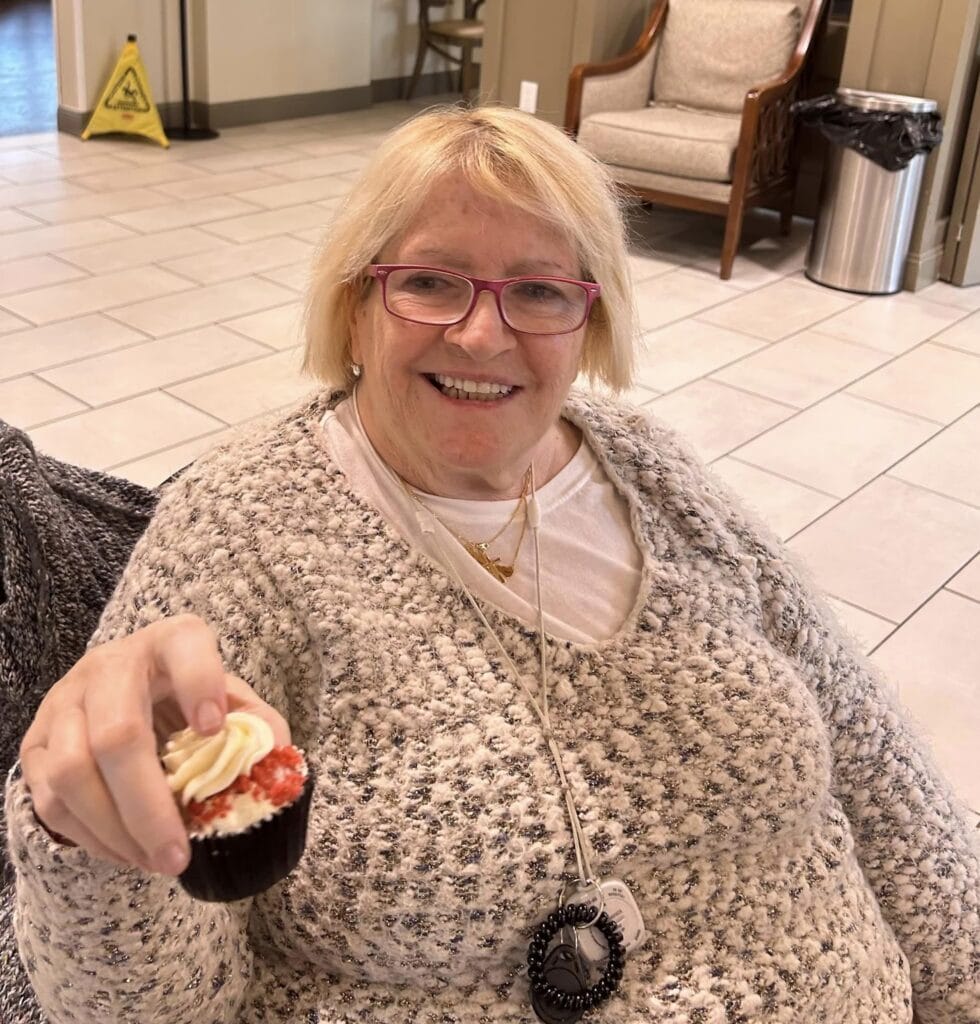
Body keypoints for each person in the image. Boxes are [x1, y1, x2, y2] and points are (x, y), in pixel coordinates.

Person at [5, 104, 978, 1024]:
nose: (482, 332)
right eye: (430, 281)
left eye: (539, 291)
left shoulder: (650, 469)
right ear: (354, 306)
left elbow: (867, 751)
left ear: (586, 327)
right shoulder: (237, 533)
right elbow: (138, 1004)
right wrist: (88, 830)